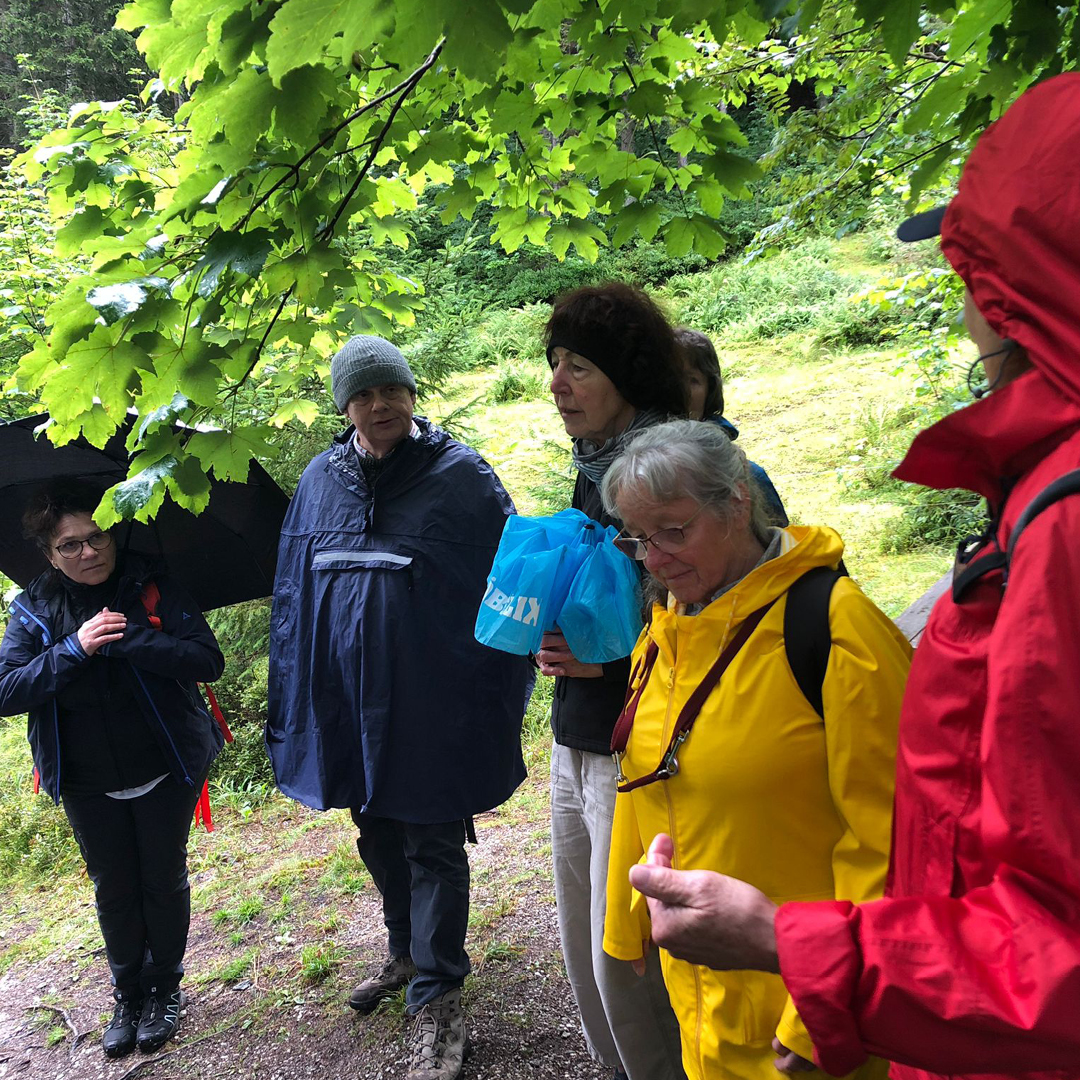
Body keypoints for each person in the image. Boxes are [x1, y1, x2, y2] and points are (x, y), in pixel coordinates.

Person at [623, 72, 1080, 1080]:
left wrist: (798, 959)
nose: (965, 307)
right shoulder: (672, 620)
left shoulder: (1050, 531)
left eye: (978, 268)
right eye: (635, 539)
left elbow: (1035, 932)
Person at [598, 419, 909, 1080]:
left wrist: (825, 1006)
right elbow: (649, 776)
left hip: (811, 1021)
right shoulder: (666, 634)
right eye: (637, 538)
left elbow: (898, 843)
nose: (652, 559)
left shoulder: (835, 628)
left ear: (737, 501)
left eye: (674, 531)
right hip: (705, 1008)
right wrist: (626, 923)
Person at [266, 336, 532, 1080]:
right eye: (364, 395)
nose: (380, 405)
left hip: (432, 696)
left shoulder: (461, 477)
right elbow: (296, 594)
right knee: (376, 828)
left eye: (392, 391)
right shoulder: (323, 478)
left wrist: (488, 690)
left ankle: (439, 998)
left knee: (432, 839)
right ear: (344, 405)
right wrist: (299, 688)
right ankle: (405, 950)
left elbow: (505, 589)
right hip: (346, 701)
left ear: (412, 396)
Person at [0, 479, 225, 1058]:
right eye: (69, 546)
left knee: (161, 877)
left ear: (113, 532)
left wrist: (130, 641)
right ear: (49, 555)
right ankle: (128, 993)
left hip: (165, 765)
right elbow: (6, 688)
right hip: (85, 780)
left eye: (96, 536)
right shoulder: (32, 609)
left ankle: (165, 990)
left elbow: (206, 659)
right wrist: (75, 648)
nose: (88, 552)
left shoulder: (151, 584)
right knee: (115, 888)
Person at [536, 283, 689, 1080]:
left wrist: (608, 661)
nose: (557, 383)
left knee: (624, 965)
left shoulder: (667, 468)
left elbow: (711, 619)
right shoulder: (591, 465)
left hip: (642, 746)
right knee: (581, 951)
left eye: (579, 366)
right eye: (554, 363)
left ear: (627, 374)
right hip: (579, 729)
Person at [675, 327, 788, 525]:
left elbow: (778, 544)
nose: (680, 392)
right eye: (671, 379)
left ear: (710, 390)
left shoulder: (746, 477)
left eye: (692, 380)